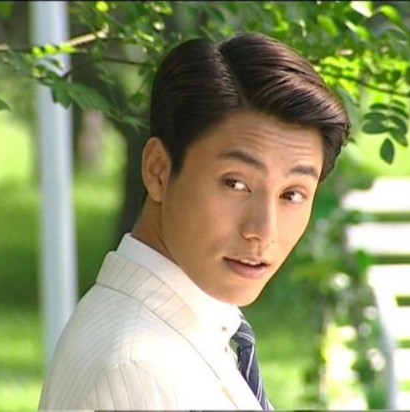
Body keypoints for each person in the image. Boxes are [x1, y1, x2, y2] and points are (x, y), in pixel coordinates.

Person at [38, 32, 350, 411]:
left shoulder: (185, 328)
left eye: (292, 195)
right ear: (158, 170)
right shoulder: (139, 370)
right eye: (236, 184)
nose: (263, 231)